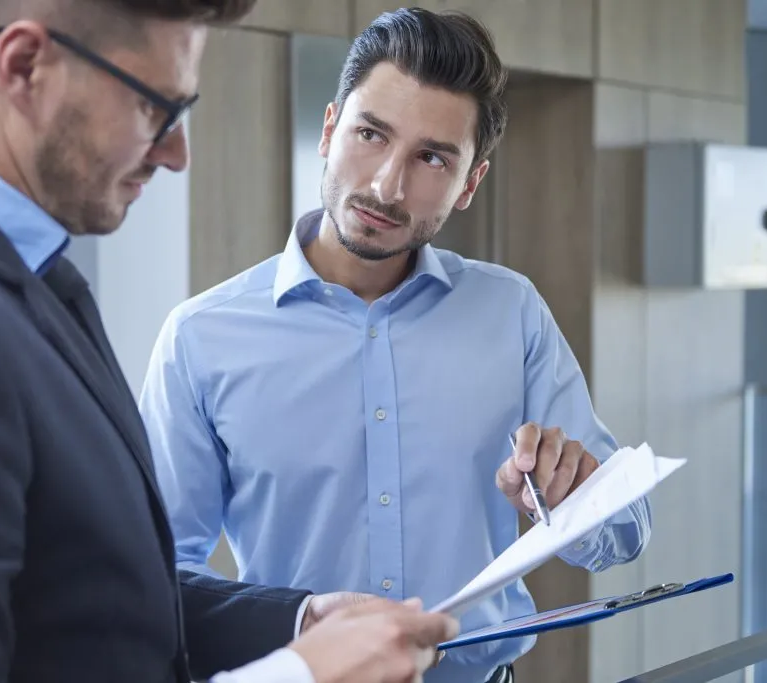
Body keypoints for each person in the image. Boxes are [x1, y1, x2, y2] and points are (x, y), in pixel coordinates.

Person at [0, 1, 459, 682]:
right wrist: (298, 677)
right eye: (153, 108)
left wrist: (298, 623)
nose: (175, 153)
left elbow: (95, 596)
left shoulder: (24, 281)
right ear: (25, 66)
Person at [139, 7, 653, 683]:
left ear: (470, 183)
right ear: (330, 130)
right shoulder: (201, 337)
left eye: (431, 157)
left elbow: (625, 532)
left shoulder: (512, 312)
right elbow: (155, 574)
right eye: (370, 134)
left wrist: (570, 497)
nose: (386, 184)